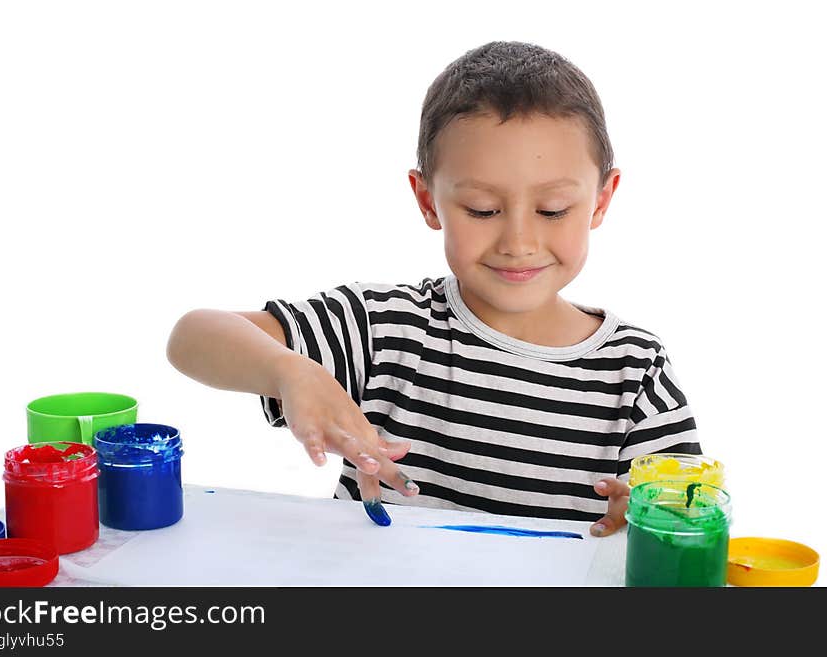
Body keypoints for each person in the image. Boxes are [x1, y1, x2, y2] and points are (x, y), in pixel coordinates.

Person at [166, 40, 701, 537]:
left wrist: (647, 529)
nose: (519, 241)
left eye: (553, 210)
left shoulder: (635, 370)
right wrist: (290, 374)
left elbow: (689, 515)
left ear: (602, 201)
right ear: (428, 201)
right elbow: (193, 337)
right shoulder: (385, 328)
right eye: (482, 210)